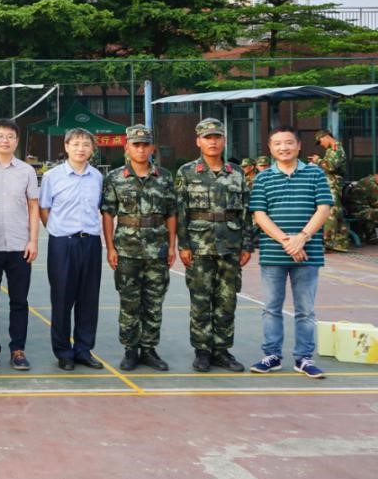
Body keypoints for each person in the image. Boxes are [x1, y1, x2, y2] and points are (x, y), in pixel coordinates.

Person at [249, 127, 333, 378]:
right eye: (277, 143)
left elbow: (323, 208)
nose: (283, 147)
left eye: (288, 143)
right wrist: (288, 242)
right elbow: (259, 214)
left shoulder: (315, 174)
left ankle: (303, 358)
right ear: (270, 148)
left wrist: (302, 238)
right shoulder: (263, 178)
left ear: (299, 146)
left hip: (308, 254)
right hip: (274, 255)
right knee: (272, 308)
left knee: (305, 309)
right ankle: (272, 355)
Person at [175, 118, 254, 373]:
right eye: (207, 137)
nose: (213, 141)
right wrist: (183, 245)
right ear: (198, 141)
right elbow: (181, 211)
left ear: (224, 140)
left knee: (227, 300)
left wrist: (247, 245)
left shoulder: (237, 173)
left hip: (230, 246)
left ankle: (222, 350)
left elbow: (246, 212)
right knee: (200, 300)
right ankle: (202, 351)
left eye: (217, 137)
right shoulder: (186, 172)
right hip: (199, 246)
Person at [100, 124, 177, 372]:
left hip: (157, 249)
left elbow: (171, 213)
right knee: (129, 302)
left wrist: (172, 246)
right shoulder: (114, 178)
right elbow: (108, 214)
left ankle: (149, 349)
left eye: (145, 144)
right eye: (136, 144)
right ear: (127, 148)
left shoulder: (164, 177)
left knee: (154, 301)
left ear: (152, 148)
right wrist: (110, 247)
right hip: (127, 250)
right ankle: (130, 350)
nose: (141, 149)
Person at [39, 127, 104, 371]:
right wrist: (56, 230)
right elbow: (44, 208)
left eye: (86, 144)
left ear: (92, 149)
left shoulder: (97, 177)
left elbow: (98, 207)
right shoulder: (52, 177)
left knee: (88, 299)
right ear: (66, 146)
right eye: (75, 144)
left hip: (90, 243)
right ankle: (64, 352)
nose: (80, 148)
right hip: (62, 244)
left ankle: (84, 350)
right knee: (62, 299)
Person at [0, 119, 39, 372]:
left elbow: (33, 206)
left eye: (10, 136)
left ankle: (18, 349)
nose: (5, 140)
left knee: (19, 301)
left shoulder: (27, 171)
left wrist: (33, 240)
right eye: (0, 136)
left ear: (16, 140)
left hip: (19, 245)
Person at [315, 129, 351, 252]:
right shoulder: (331, 149)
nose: (321, 144)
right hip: (332, 183)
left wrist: (318, 161)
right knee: (337, 212)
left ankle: (328, 242)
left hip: (333, 184)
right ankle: (341, 243)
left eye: (320, 141)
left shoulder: (335, 147)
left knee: (330, 212)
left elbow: (332, 166)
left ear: (325, 137)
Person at [345, 172, 378, 244]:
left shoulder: (372, 181)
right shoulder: (370, 184)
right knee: (375, 212)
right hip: (357, 211)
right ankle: (371, 236)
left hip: (365, 209)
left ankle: (371, 236)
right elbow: (376, 202)